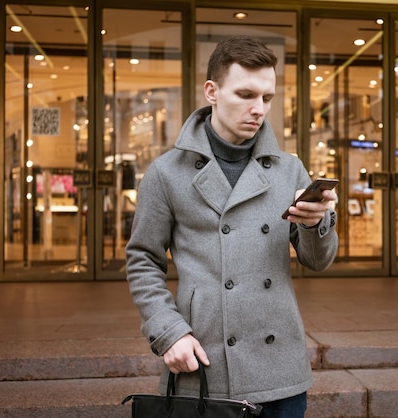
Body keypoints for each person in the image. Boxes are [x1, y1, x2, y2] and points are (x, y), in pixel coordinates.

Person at [125, 35, 338, 418]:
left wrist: (316, 224)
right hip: (204, 363)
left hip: (280, 368)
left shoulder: (289, 169)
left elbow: (317, 261)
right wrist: (168, 331)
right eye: (245, 94)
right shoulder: (166, 173)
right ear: (212, 91)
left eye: (267, 98)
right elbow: (142, 260)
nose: (258, 109)